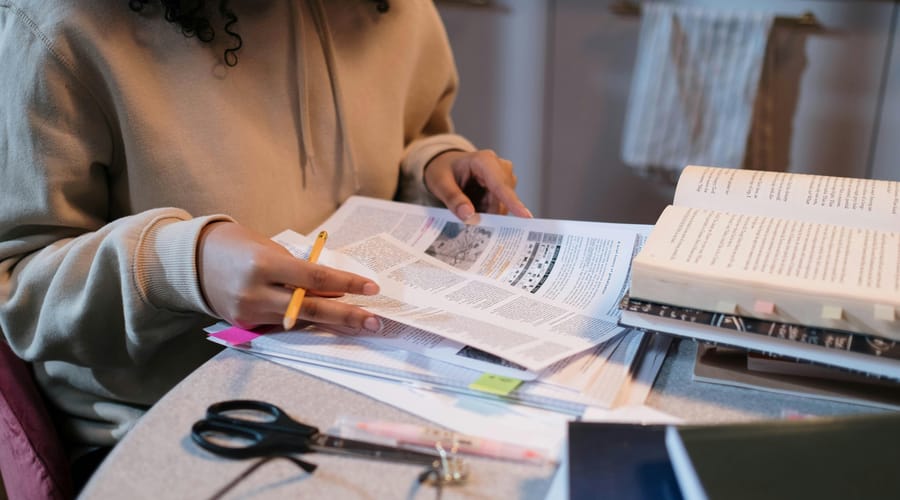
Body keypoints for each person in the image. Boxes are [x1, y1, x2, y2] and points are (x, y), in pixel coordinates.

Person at [0, 0, 531, 459]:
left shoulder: (393, 12)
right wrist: (181, 267)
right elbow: (18, 288)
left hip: (372, 377)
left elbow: (410, 137)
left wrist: (434, 168)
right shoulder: (58, 26)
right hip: (173, 422)